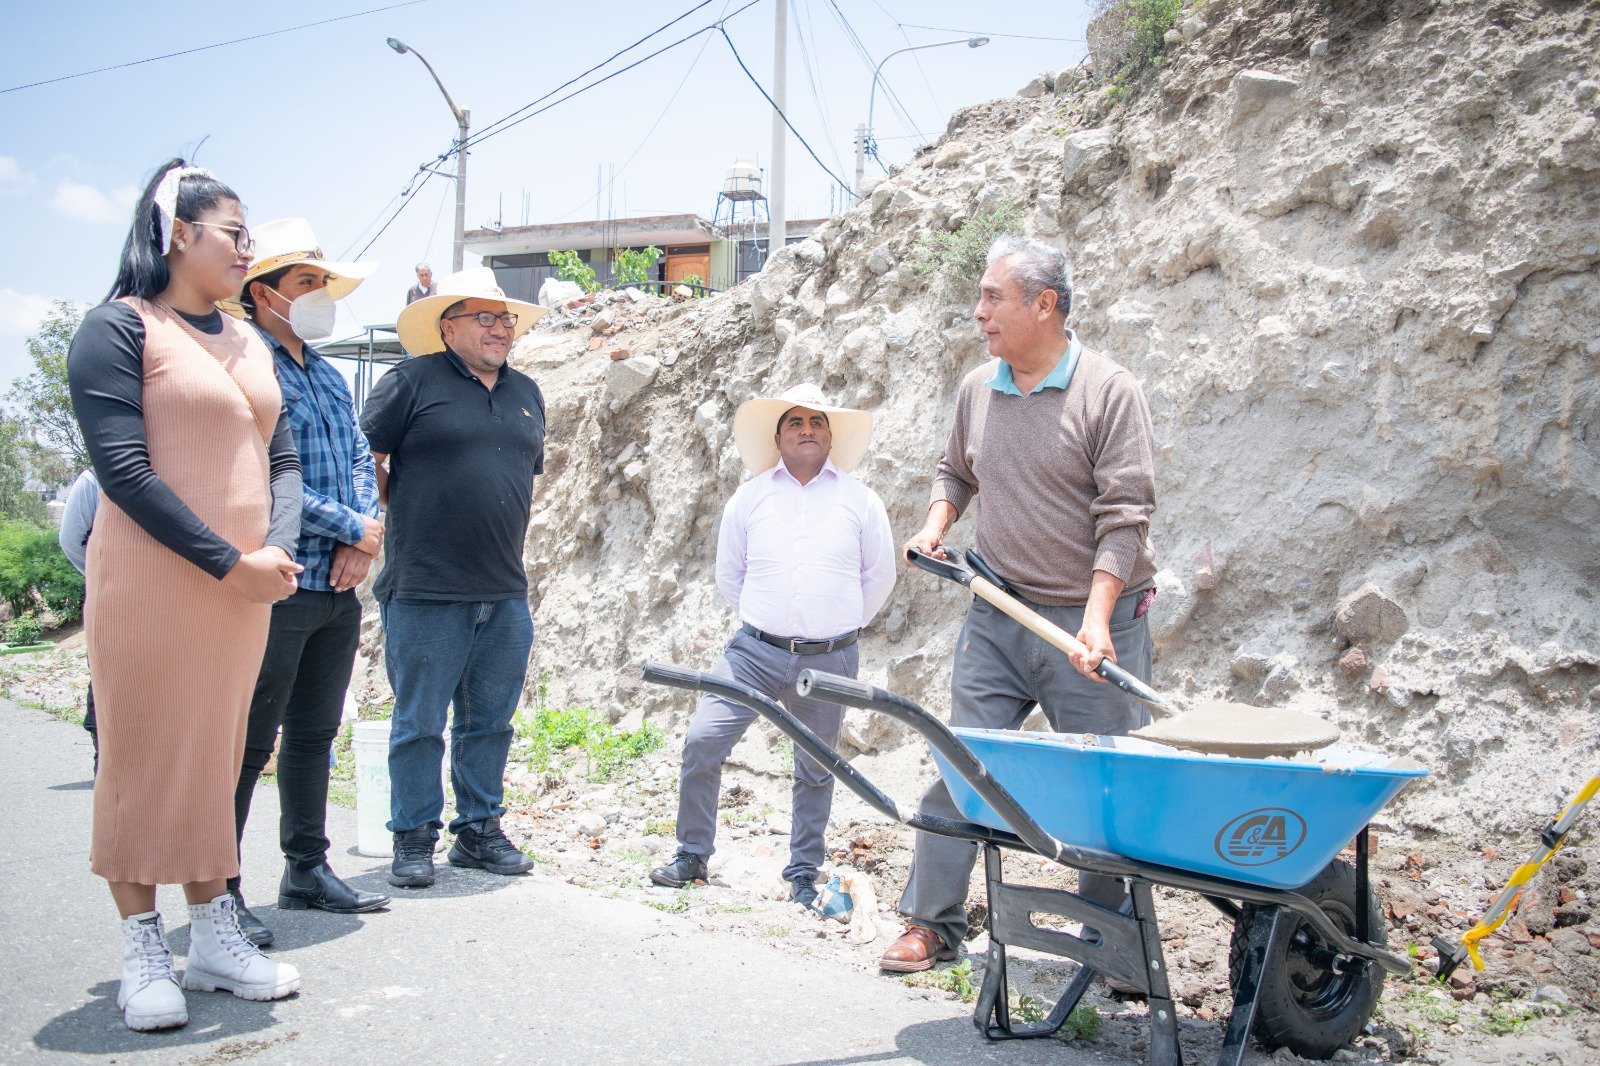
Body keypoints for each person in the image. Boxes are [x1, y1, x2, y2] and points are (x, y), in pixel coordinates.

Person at [878, 235, 1159, 975]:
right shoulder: (980, 387)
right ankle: (932, 924)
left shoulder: (1108, 390)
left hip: (1091, 624)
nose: (979, 314)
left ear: (1045, 305)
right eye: (979, 298)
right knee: (965, 759)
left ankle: (1116, 950)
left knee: (1104, 784)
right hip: (997, 610)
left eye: (993, 298)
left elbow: (1124, 516)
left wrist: (1097, 619)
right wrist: (936, 526)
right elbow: (954, 469)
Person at [67, 159, 304, 1032]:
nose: (250, 249)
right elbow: (123, 472)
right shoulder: (118, 329)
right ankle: (142, 947)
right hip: (154, 581)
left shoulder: (247, 338)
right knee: (140, 755)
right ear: (178, 233)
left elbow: (281, 456)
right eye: (236, 233)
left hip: (239, 589)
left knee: (218, 754)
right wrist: (225, 560)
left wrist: (274, 545)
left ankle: (210, 933)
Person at [649, 385, 896, 905]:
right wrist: (773, 626)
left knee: (816, 766)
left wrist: (835, 630)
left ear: (830, 435)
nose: (807, 429)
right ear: (778, 438)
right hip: (753, 654)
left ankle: (803, 871)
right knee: (702, 742)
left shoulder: (860, 500)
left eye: (817, 422)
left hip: (829, 659)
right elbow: (729, 576)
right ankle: (692, 855)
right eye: (795, 423)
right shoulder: (751, 496)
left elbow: (879, 579)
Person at [227, 218, 389, 947]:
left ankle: (304, 869)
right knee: (250, 739)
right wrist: (350, 529)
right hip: (283, 579)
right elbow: (264, 476)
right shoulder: (242, 364)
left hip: (337, 586)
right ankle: (220, 889)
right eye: (305, 283)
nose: (320, 295)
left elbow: (360, 459)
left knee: (316, 734)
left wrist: (366, 530)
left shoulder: (325, 373)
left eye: (323, 282)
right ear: (262, 294)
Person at [361, 267, 548, 889]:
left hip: (504, 589)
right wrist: (392, 513)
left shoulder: (527, 392)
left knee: (490, 721)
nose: (500, 329)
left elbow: (520, 478)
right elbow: (367, 462)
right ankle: (413, 839)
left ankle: (479, 831)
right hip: (424, 586)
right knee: (419, 722)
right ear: (448, 327)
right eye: (484, 318)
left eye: (506, 319)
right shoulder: (410, 382)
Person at [57, 468, 100, 770]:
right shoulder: (95, 479)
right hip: (113, 601)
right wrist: (103, 575)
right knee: (108, 687)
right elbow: (71, 539)